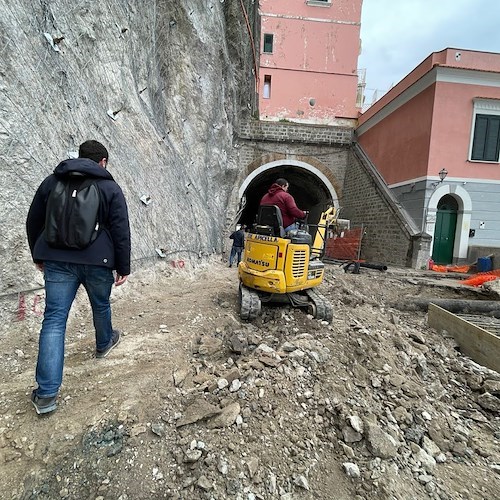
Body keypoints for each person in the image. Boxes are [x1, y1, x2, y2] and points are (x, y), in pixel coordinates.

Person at [26, 140, 131, 415]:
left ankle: (47, 394)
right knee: (101, 305)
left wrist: (39, 254)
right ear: (103, 162)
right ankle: (103, 343)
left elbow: (33, 220)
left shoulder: (52, 182)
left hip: (57, 261)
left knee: (54, 320)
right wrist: (124, 267)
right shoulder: (109, 187)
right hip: (98, 261)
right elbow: (120, 229)